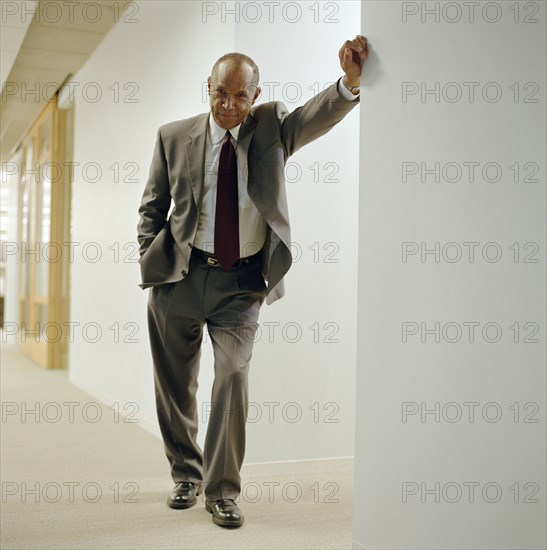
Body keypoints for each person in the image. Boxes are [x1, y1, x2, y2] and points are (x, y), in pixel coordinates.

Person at [137, 35, 368, 528]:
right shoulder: (174, 136)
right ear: (209, 87)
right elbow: (152, 208)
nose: (228, 105)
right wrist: (150, 259)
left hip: (240, 284)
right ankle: (186, 472)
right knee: (175, 384)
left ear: (255, 97)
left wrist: (349, 83)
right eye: (221, 92)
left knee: (233, 376)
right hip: (179, 277)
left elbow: (315, 115)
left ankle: (222, 490)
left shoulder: (271, 131)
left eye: (241, 96)